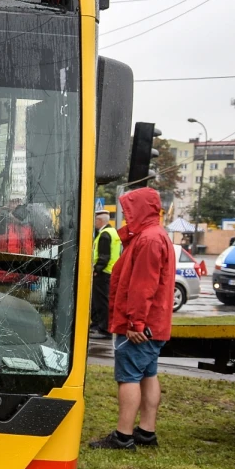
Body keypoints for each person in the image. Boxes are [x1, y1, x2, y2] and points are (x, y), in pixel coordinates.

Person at [89, 187, 175, 451]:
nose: (126, 216)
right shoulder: (154, 235)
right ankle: (146, 432)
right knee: (148, 374)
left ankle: (123, 436)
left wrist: (135, 323)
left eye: (128, 210)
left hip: (140, 326)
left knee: (128, 377)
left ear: (141, 209)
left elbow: (142, 286)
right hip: (154, 324)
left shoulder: (148, 239)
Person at [89, 210, 121, 339]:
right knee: (99, 301)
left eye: (95, 220)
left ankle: (104, 329)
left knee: (102, 301)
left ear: (100, 221)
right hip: (109, 272)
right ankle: (97, 324)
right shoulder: (112, 232)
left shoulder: (104, 234)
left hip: (103, 273)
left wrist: (97, 269)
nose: (94, 222)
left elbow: (104, 256)